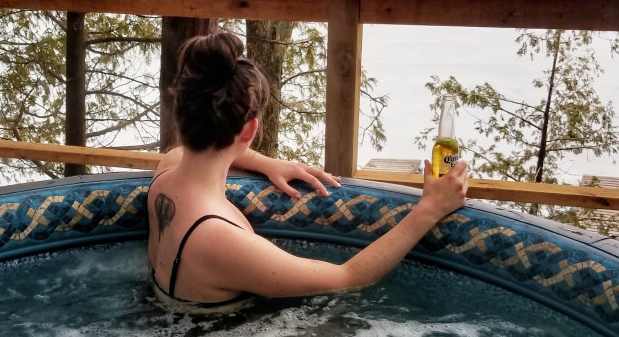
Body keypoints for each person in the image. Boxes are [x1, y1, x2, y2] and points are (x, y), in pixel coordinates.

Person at [148, 32, 468, 313]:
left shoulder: (165, 176)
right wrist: (428, 210)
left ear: (182, 111)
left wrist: (266, 163)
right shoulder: (218, 239)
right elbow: (350, 277)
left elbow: (183, 152)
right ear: (250, 130)